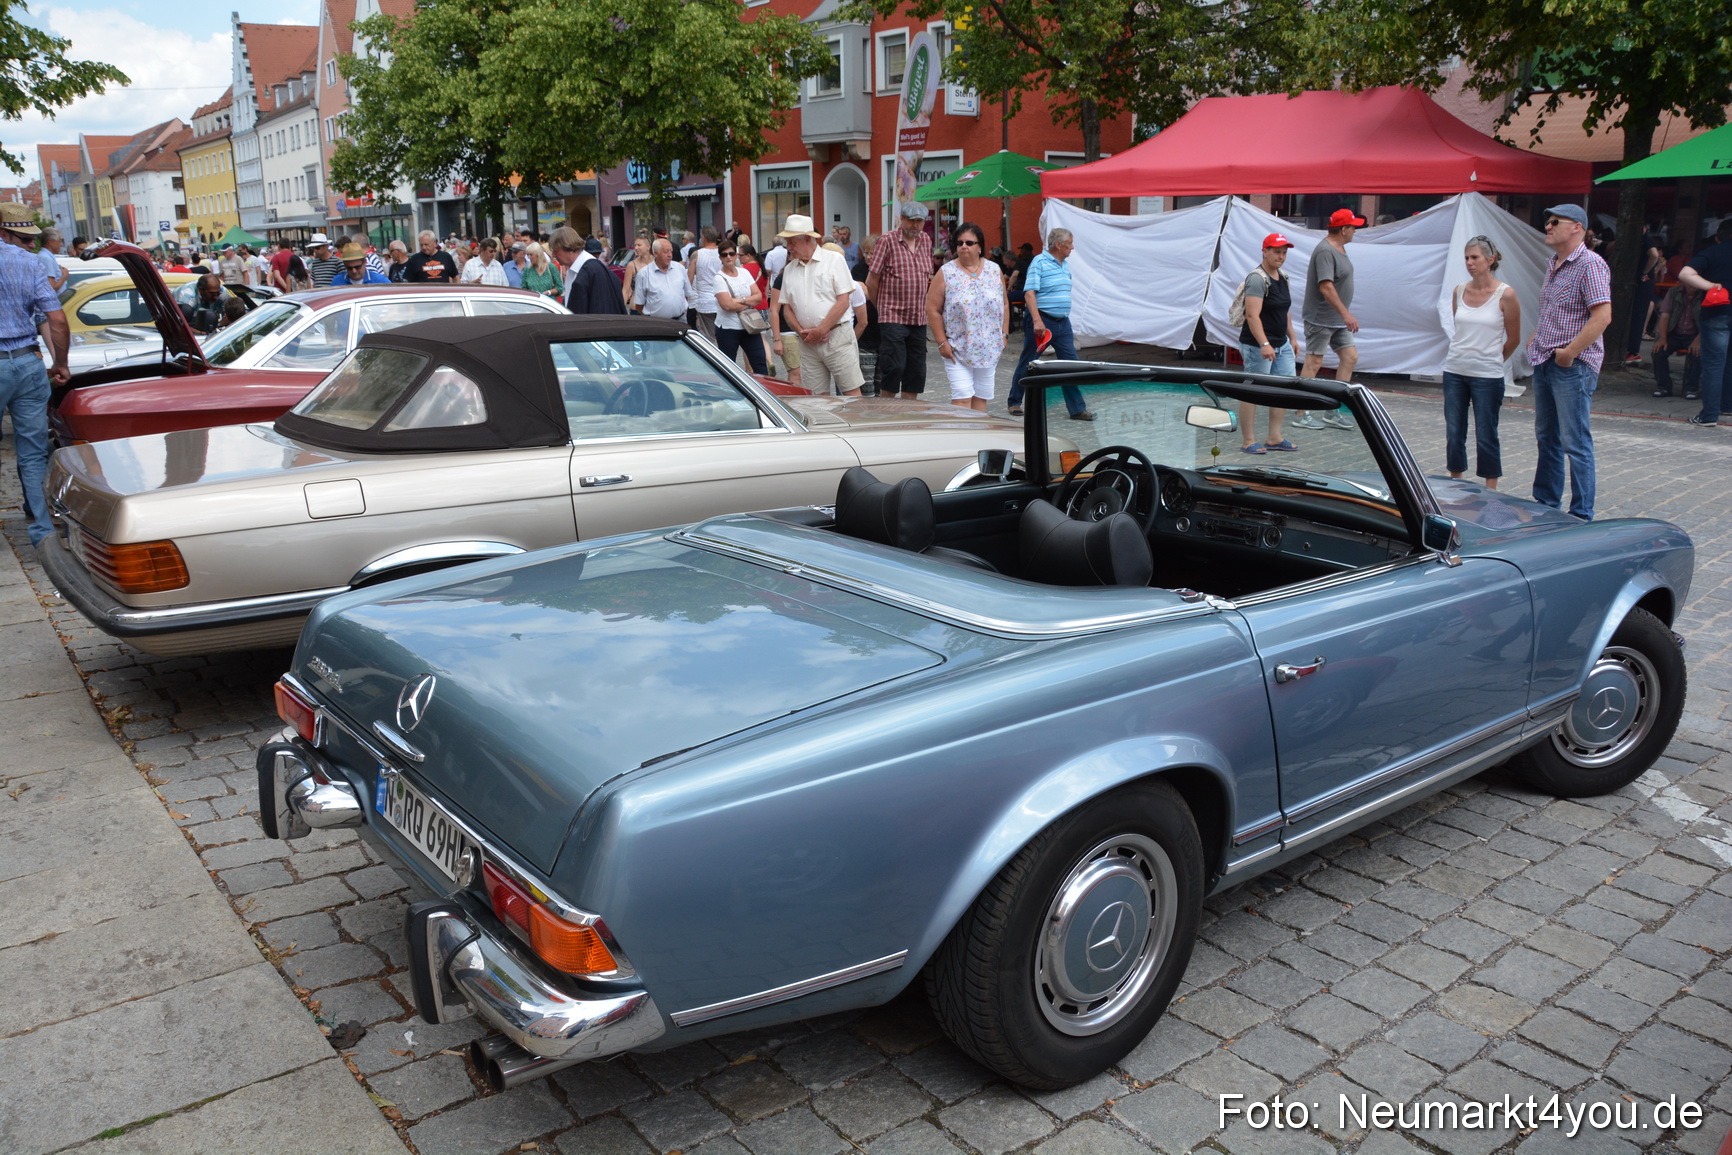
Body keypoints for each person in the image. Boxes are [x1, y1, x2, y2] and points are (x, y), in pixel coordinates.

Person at [1526, 203, 1611, 519]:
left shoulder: (1591, 264)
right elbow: (1560, 310)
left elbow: (1602, 316)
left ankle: (1581, 514)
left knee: (1575, 442)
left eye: (1554, 221)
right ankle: (1546, 505)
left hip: (1571, 365)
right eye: (1547, 221)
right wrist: (1538, 335)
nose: (1548, 225)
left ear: (1577, 226)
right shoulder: (1554, 263)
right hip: (1547, 359)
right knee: (1547, 438)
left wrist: (1571, 352)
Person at [0, 202, 70, 548]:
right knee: (32, 452)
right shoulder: (30, 265)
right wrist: (61, 362)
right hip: (27, 362)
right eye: (23, 238)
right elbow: (55, 319)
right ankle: (42, 531)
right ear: (6, 233)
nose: (29, 245)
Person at [1442, 236, 1521, 489]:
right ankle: (1455, 482)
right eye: (1466, 257)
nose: (1469, 262)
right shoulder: (1459, 290)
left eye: (1474, 257)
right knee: (1455, 430)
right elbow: (1460, 328)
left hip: (1487, 374)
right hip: (1455, 369)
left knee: (1486, 432)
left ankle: (1490, 487)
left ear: (1490, 259)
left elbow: (1514, 338)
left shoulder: (1505, 294)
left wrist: (1493, 359)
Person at [1006, 228, 1091, 420]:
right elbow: (1029, 293)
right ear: (1059, 245)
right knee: (1029, 362)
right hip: (1042, 321)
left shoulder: (1065, 265)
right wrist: (1036, 320)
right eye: (1070, 243)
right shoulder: (1039, 262)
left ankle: (1077, 408)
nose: (1073, 247)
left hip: (1062, 322)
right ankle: (1014, 402)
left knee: (1071, 366)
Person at [777, 213, 862, 396]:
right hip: (807, 342)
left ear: (807, 239)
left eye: (792, 242)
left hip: (837, 336)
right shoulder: (790, 269)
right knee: (817, 398)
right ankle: (826, 425)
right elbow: (787, 308)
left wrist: (821, 329)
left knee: (851, 393)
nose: (788, 247)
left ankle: (857, 424)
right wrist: (801, 331)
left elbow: (843, 301)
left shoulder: (834, 260)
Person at [926, 221, 1007, 411]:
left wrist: (1004, 334)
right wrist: (941, 342)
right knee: (962, 397)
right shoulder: (946, 272)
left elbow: (1004, 303)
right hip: (957, 348)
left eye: (969, 243)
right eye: (959, 243)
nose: (964, 246)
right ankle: (959, 437)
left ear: (980, 247)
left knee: (981, 397)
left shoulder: (994, 270)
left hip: (988, 347)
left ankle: (977, 437)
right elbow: (933, 309)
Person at [1235, 233, 1301, 454]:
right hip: (1257, 345)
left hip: (1281, 344)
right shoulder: (1257, 278)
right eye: (1276, 252)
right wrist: (1264, 343)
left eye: (1284, 253)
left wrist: (1292, 337)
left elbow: (1285, 311)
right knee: (1252, 391)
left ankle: (1274, 437)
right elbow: (1253, 316)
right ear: (1265, 251)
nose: (1280, 257)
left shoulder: (1283, 277)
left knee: (1283, 389)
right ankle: (1248, 441)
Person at [1297, 207, 1363, 428]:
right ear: (1343, 229)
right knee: (1314, 362)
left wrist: (1343, 315)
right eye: (1353, 227)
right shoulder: (1326, 251)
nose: (1355, 231)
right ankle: (1301, 413)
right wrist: (1346, 314)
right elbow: (1325, 286)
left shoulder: (1340, 249)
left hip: (1336, 319)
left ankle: (1332, 410)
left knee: (1350, 356)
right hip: (1321, 318)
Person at [865, 202, 935, 399]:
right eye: (911, 220)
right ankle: (887, 413)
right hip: (892, 314)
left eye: (919, 221)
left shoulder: (926, 241)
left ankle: (908, 415)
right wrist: (882, 309)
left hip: (918, 317)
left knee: (916, 372)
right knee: (893, 367)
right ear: (901, 219)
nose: (915, 225)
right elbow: (872, 281)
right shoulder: (887, 240)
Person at [1679, 218, 1732, 427]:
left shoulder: (1712, 252)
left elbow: (1686, 273)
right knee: (1730, 363)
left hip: (1717, 312)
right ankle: (1727, 406)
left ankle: (1709, 415)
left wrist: (1711, 285)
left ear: (1718, 238)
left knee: (1713, 365)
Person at [714, 242, 769, 374]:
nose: (728, 257)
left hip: (749, 327)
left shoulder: (744, 272)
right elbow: (726, 305)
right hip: (728, 328)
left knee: (760, 363)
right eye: (724, 254)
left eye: (731, 254)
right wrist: (748, 303)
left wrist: (740, 300)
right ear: (720, 257)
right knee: (728, 368)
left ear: (736, 255)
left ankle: (763, 393)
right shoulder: (719, 278)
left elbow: (758, 297)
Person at [553, 227, 627, 315]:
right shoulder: (581, 268)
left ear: (570, 248)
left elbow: (600, 313)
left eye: (556, 251)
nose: (554, 255)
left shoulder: (591, 271)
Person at [1650, 279, 1701, 400]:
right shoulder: (1673, 292)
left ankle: (1692, 388)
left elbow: (1707, 320)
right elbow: (1665, 315)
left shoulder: (1704, 294)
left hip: (1695, 334)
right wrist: (1662, 338)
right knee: (1658, 351)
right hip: (1674, 332)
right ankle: (1664, 387)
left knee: (1698, 353)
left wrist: (1699, 340)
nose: (1691, 284)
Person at [633, 238, 692, 319]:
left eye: (671, 251)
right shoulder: (644, 274)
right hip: (658, 324)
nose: (670, 255)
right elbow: (639, 305)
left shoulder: (680, 268)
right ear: (655, 253)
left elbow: (686, 295)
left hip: (680, 320)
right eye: (665, 252)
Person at [687, 226, 723, 339]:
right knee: (722, 336)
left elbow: (689, 279)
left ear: (703, 238)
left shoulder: (697, 255)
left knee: (708, 337)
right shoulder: (724, 254)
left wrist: (687, 297)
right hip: (723, 299)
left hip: (704, 302)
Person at [619, 230, 653, 310]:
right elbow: (625, 291)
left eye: (639, 245)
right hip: (636, 308)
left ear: (648, 247)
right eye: (635, 245)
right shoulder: (631, 265)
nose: (636, 248)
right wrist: (621, 310)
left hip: (654, 309)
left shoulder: (656, 262)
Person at [36, 228, 66, 293]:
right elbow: (51, 287)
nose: (61, 245)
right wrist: (64, 276)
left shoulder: (45, 257)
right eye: (59, 241)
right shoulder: (46, 259)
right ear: (51, 242)